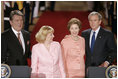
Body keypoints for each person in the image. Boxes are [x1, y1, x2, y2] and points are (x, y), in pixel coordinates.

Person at [81, 11, 117, 77]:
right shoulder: (84, 34)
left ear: (100, 21)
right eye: (91, 20)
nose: (92, 23)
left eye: (95, 20)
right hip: (88, 69)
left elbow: (114, 51)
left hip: (102, 69)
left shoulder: (108, 34)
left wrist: (106, 62)